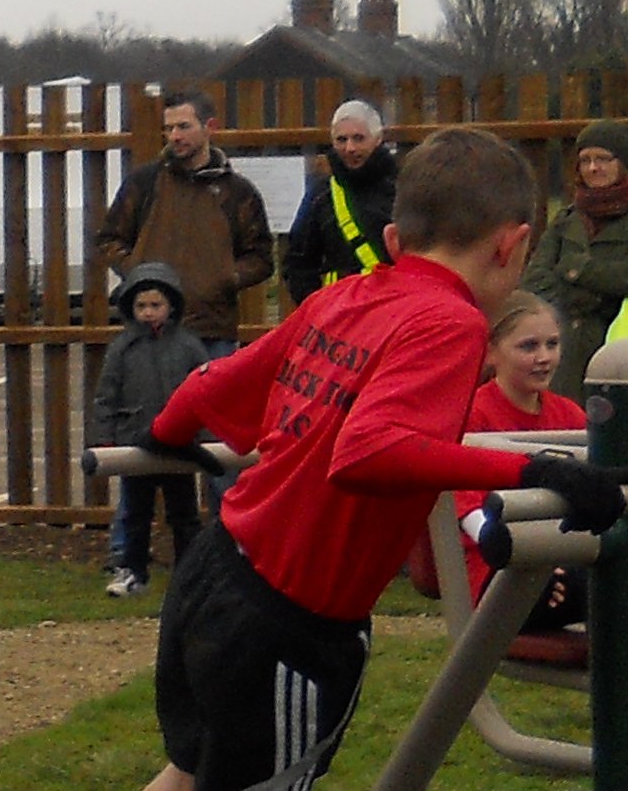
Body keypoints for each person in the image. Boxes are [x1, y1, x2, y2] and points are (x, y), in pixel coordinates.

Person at [15, 131, 620, 791]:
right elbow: (373, 450)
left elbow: (205, 392)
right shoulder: (447, 324)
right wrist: (533, 469)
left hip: (218, 569)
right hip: (290, 622)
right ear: (512, 243)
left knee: (184, 780)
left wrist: (178, 440)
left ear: (394, 231)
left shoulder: (349, 293)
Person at [446, 292, 585, 638]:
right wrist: (507, 546)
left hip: (564, 554)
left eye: (552, 344)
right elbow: (464, 504)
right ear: (491, 351)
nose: (544, 358)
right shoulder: (472, 414)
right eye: (528, 347)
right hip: (497, 565)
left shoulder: (569, 415)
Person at [94, 89, 275, 352]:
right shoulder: (144, 183)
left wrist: (224, 277)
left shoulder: (237, 192)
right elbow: (108, 239)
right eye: (169, 129)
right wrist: (141, 274)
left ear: (209, 127)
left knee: (211, 395)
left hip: (213, 331)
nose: (175, 136)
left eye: (183, 127)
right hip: (151, 331)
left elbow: (261, 257)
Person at [87, 262, 211, 599]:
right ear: (131, 307)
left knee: (184, 514)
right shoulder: (121, 348)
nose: (148, 313)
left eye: (156, 305)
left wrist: (208, 436)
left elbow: (207, 390)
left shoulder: (188, 346)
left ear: (171, 306)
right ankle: (133, 572)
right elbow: (106, 396)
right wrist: (104, 440)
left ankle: (189, 577)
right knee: (135, 513)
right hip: (134, 445)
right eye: (141, 306)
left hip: (180, 445)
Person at [521, 121, 628, 380]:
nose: (593, 168)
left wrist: (574, 270)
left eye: (603, 159)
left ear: (623, 163)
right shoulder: (566, 219)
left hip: (620, 349)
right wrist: (591, 292)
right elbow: (535, 280)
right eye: (585, 160)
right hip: (565, 352)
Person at [278, 100, 403, 302]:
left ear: (378, 139)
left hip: (397, 309)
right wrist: (316, 307)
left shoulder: (405, 188)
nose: (350, 148)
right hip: (341, 314)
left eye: (358, 138)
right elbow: (298, 264)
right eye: (341, 140)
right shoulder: (320, 195)